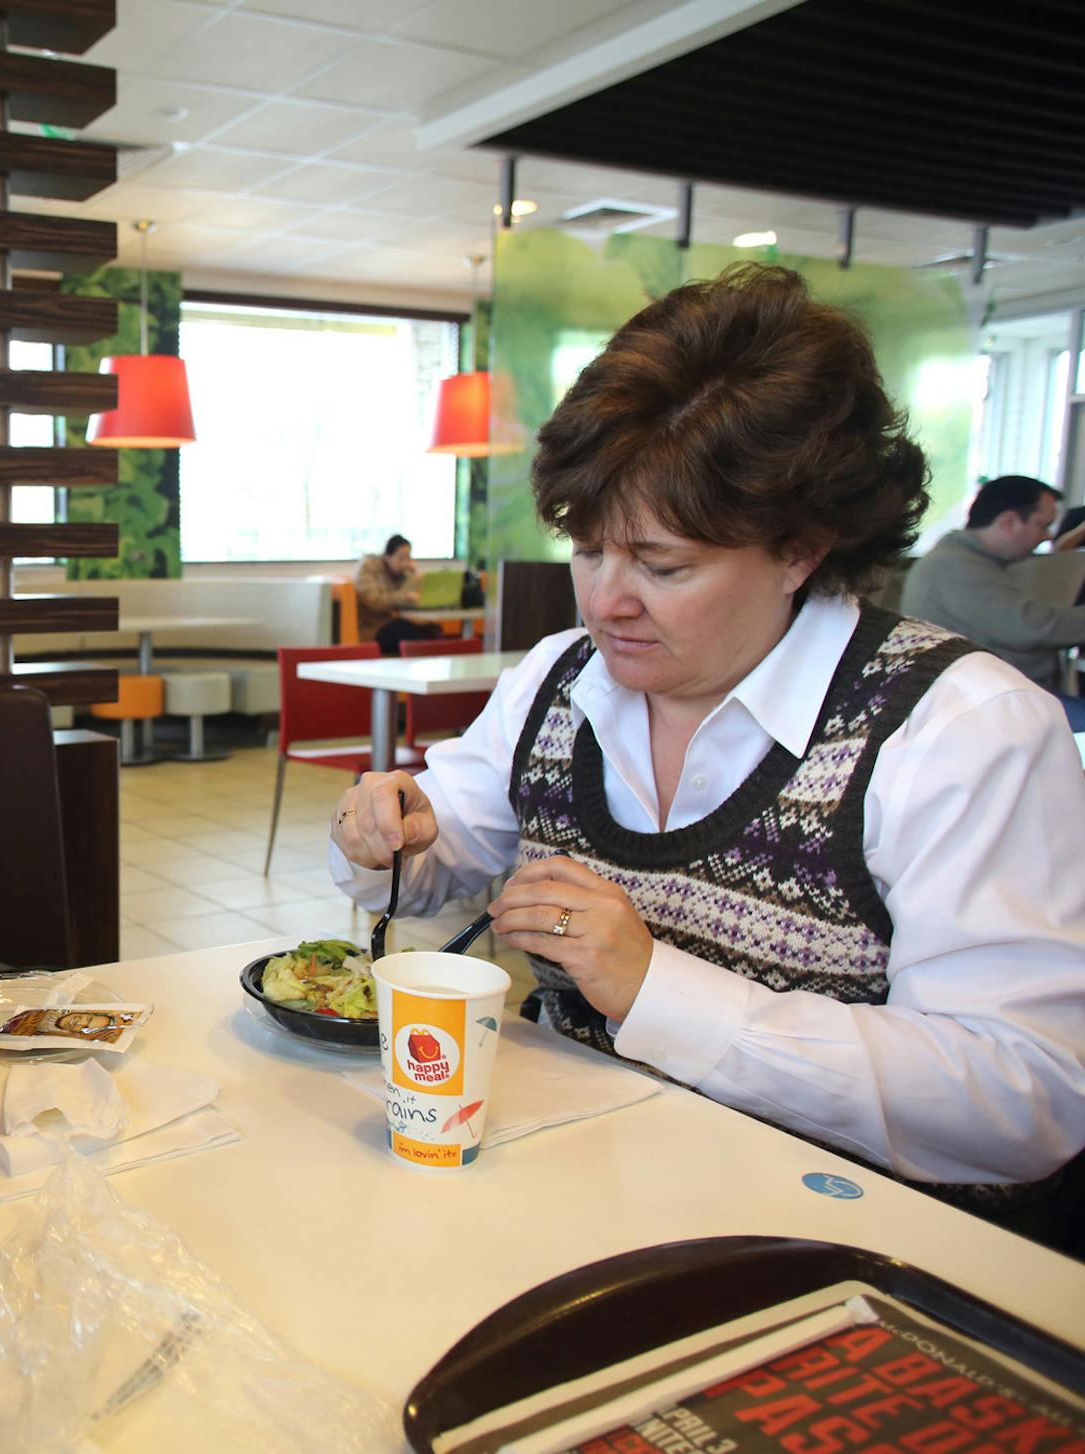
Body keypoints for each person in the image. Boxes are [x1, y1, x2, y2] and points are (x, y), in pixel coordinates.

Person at [327, 265, 1085, 1221]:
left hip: (850, 1236)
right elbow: (439, 859)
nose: (607, 600)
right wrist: (392, 832)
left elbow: (1024, 1098)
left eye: (663, 564)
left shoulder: (960, 730)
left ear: (801, 547)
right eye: (591, 549)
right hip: (581, 1180)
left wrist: (657, 989)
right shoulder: (561, 676)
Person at [901, 474, 1085, 729]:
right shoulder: (954, 567)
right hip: (983, 705)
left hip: (993, 695)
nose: (1046, 538)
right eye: (1043, 526)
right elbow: (1033, 626)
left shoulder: (969, 560)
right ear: (1009, 522)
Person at [353, 533, 440, 656]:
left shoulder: (401, 573)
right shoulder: (368, 568)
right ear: (387, 556)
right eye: (401, 558)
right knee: (410, 633)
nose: (405, 563)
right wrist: (405, 597)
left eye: (408, 558)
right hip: (372, 628)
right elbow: (374, 601)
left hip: (393, 622)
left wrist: (414, 577)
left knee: (433, 630)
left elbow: (411, 597)